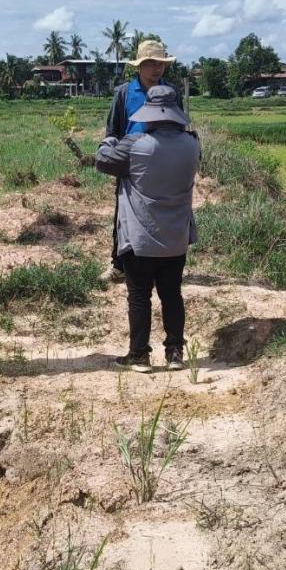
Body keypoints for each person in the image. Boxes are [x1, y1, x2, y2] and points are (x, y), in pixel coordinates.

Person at [96, 85, 200, 372]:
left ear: (150, 115)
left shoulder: (135, 144)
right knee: (172, 294)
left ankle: (139, 354)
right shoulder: (192, 144)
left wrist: (108, 140)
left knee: (140, 296)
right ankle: (175, 352)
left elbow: (103, 161)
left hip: (140, 237)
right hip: (176, 236)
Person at [101, 40, 182, 284]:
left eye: (161, 63)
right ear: (139, 66)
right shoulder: (124, 93)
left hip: (162, 161)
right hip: (131, 163)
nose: (157, 68)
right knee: (123, 214)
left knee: (162, 213)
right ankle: (119, 264)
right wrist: (116, 158)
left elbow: (179, 126)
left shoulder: (171, 92)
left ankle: (163, 264)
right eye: (151, 63)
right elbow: (113, 130)